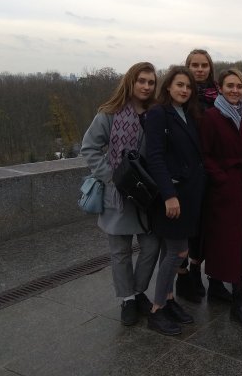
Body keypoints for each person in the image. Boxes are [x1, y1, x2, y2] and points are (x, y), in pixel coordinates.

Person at [80, 62, 160, 326]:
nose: (146, 86)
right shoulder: (109, 113)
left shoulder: (156, 113)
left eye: (151, 82)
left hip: (147, 194)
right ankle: (127, 299)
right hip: (118, 195)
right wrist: (112, 177)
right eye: (141, 81)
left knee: (151, 246)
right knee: (120, 251)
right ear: (131, 82)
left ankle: (138, 291)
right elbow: (89, 147)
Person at [145, 66, 206, 336]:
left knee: (171, 252)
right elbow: (155, 156)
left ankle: (169, 300)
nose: (184, 90)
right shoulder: (158, 113)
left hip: (189, 193)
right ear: (168, 86)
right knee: (178, 253)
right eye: (179, 84)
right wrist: (169, 195)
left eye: (188, 86)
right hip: (173, 195)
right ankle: (157, 309)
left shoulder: (188, 113)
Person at [201, 69, 242, 329]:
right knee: (229, 240)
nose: (235, 90)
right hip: (222, 187)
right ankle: (238, 298)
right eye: (230, 86)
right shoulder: (212, 116)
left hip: (240, 184)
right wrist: (221, 178)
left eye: (239, 86)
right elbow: (204, 154)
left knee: (236, 239)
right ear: (221, 88)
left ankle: (216, 286)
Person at [176, 49, 232, 304]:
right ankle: (185, 276)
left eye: (204, 65)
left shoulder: (219, 96)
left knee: (209, 227)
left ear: (210, 68)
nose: (199, 69)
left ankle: (203, 273)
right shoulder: (181, 95)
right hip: (187, 171)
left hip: (213, 169)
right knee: (188, 228)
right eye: (194, 65)